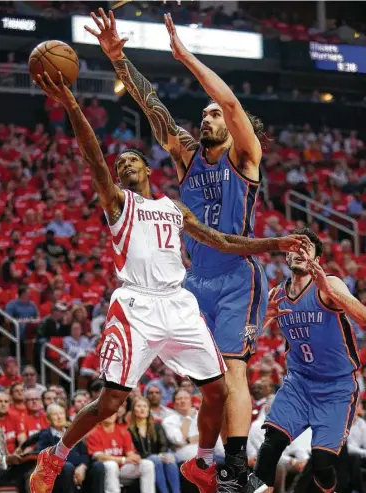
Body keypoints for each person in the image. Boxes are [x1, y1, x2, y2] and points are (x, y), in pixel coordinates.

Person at [30, 70, 309, 493]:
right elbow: (91, 155)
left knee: (219, 388)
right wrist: (72, 105)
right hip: (137, 307)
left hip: (178, 302)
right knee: (112, 401)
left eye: (131, 159)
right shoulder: (118, 203)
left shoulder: (174, 207)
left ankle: (202, 463)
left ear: (147, 167)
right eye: (119, 163)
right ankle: (55, 456)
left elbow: (222, 239)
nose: (124, 164)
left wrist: (275, 242)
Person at [85, 8, 272, 490]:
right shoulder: (188, 156)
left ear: (233, 127)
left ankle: (235, 472)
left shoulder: (245, 156)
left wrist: (184, 56)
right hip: (193, 283)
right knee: (210, 386)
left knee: (233, 373)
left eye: (213, 116)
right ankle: (206, 462)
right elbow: (154, 110)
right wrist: (119, 61)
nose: (207, 118)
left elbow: (229, 102)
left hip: (236, 276)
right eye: (204, 114)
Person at [245, 228, 365, 493]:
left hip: (336, 387)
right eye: (294, 246)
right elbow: (245, 342)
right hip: (299, 383)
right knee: (272, 441)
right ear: (286, 255)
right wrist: (262, 318)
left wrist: (333, 295)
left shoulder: (329, 285)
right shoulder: (277, 294)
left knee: (322, 463)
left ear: (317, 258)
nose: (299, 251)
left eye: (306, 247)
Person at [35, 404, 105, 493]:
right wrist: (71, 470)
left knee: (98, 466)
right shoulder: (45, 435)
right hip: (60, 474)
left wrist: (82, 467)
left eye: (61, 413)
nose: (59, 417)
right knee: (67, 467)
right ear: (48, 419)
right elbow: (46, 457)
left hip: (80, 470)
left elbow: (84, 454)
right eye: (55, 414)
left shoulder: (73, 432)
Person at [86, 411, 154, 493]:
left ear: (116, 415)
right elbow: (99, 457)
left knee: (147, 464)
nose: (110, 415)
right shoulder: (94, 433)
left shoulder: (123, 431)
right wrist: (123, 460)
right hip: (104, 471)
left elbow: (130, 454)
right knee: (112, 465)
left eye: (112, 412)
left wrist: (134, 458)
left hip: (122, 470)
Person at [129, 396, 181, 493]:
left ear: (149, 409)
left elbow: (164, 445)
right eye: (139, 406)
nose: (142, 409)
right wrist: (155, 456)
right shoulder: (129, 430)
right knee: (155, 459)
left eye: (145, 406)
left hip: (158, 457)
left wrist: (163, 454)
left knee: (169, 458)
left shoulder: (156, 426)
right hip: (141, 460)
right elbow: (133, 451)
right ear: (133, 410)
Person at [162, 388, 224, 464]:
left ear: (191, 401)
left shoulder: (202, 416)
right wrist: (188, 418)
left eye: (186, 398)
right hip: (186, 460)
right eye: (179, 399)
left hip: (212, 457)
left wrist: (223, 455)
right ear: (174, 404)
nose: (183, 401)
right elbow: (179, 440)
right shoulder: (169, 421)